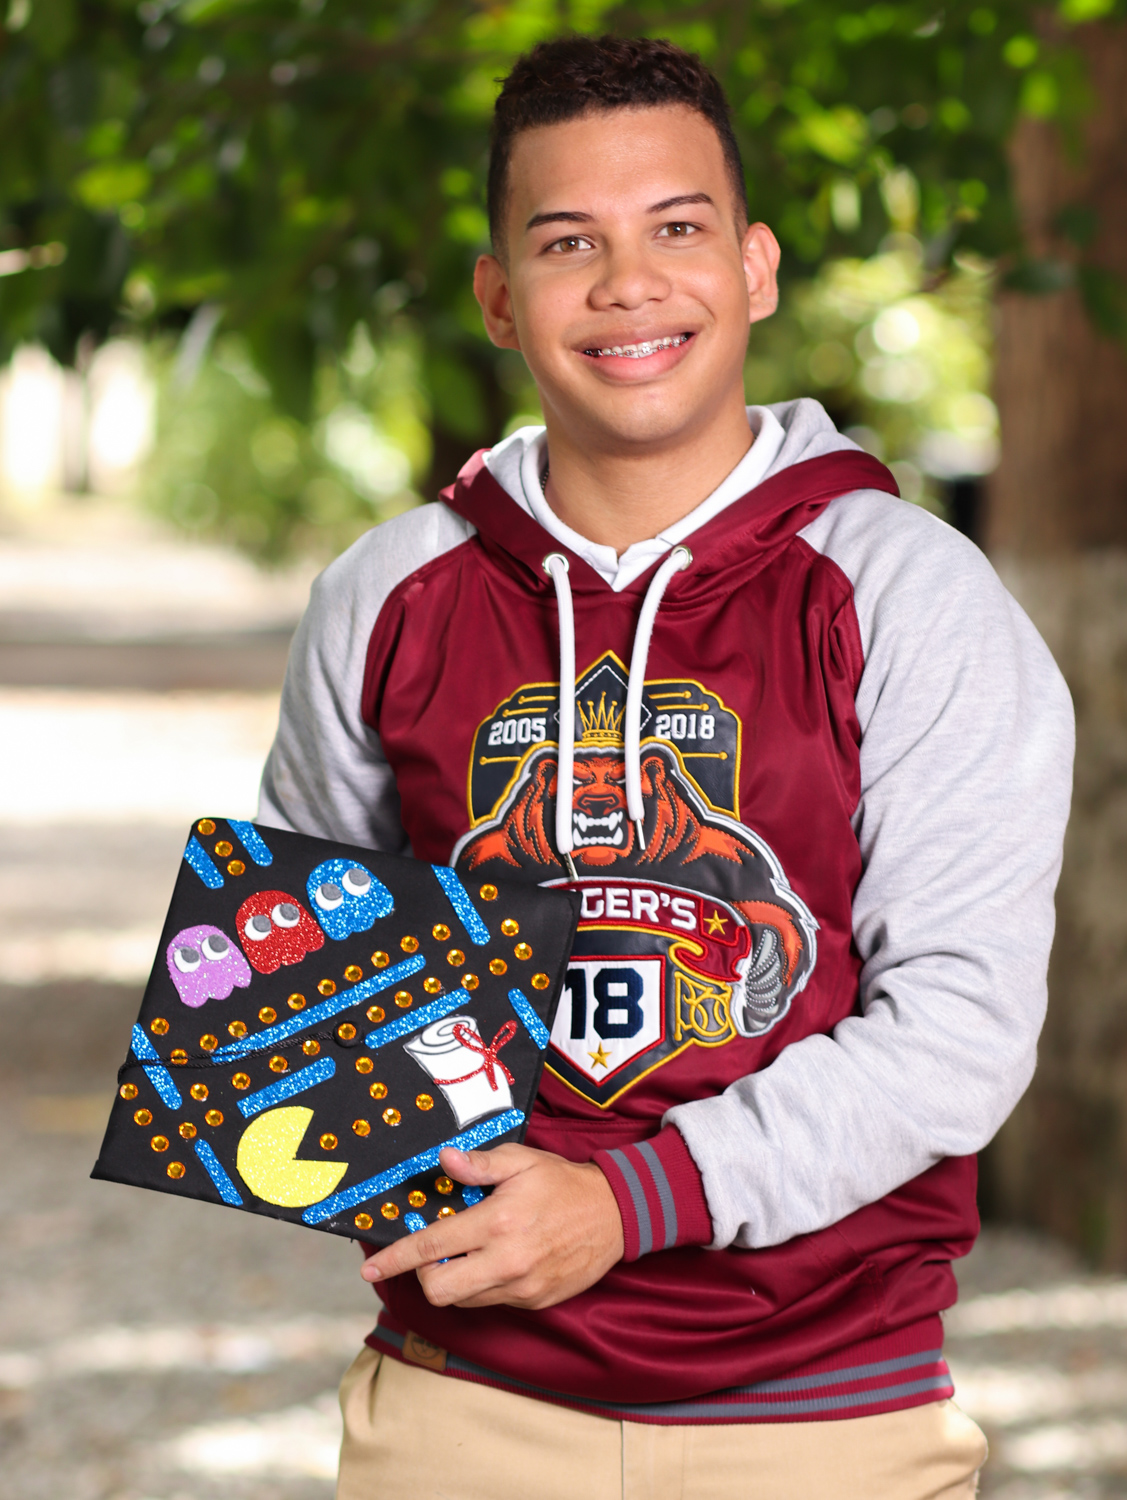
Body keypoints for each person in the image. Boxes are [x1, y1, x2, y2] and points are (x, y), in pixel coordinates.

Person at [258, 33, 1074, 1500]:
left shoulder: (912, 593)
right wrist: (355, 1124)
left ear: (754, 269)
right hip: (461, 1400)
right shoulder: (385, 594)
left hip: (826, 1415)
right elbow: (310, 972)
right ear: (498, 298)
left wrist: (630, 1200)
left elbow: (960, 1028)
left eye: (678, 229)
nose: (629, 285)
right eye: (569, 242)